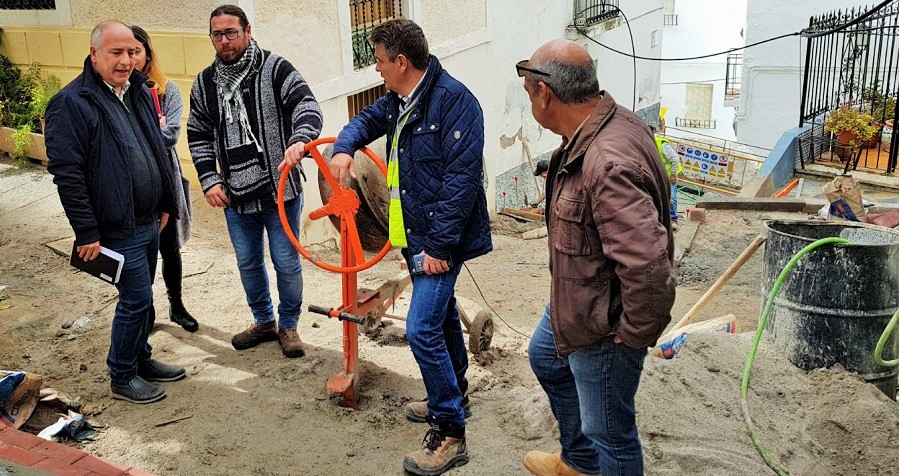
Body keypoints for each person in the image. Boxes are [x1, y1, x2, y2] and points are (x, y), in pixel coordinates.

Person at [323, 18, 491, 476]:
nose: (375, 69)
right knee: (440, 321)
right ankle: (455, 394)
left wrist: (438, 246)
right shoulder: (403, 98)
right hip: (414, 237)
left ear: (401, 61)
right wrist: (343, 148)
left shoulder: (455, 102)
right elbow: (365, 120)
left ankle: (450, 432)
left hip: (441, 242)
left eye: (379, 61)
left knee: (420, 330)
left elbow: (461, 182)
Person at [517, 40, 676, 476]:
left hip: (604, 325)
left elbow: (648, 265)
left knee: (611, 433)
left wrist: (631, 336)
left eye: (527, 86)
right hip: (579, 299)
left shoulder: (606, 160)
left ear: (544, 94)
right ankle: (579, 463)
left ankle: (595, 460)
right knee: (546, 357)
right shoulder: (597, 125)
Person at [45, 20, 186, 404]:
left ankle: (142, 359)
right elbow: (67, 174)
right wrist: (87, 232)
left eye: (131, 52)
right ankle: (122, 376)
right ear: (94, 54)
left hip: (148, 220)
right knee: (136, 300)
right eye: (116, 53)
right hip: (115, 226)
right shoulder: (71, 104)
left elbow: (157, 149)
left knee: (145, 295)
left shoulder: (137, 90)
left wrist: (165, 205)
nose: (126, 61)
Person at [187, 5, 322, 358]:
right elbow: (198, 133)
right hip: (234, 195)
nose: (225, 40)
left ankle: (288, 325)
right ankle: (264, 322)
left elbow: (307, 105)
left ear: (247, 31)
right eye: (217, 34)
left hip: (280, 191)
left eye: (231, 32)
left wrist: (299, 139)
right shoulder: (204, 83)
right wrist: (209, 179)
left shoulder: (276, 69)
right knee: (248, 262)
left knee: (286, 262)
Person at [131, 25, 198, 332]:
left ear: (147, 53)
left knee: (169, 247)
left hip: (165, 178)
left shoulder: (165, 89)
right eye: (123, 52)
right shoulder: (117, 93)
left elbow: (170, 135)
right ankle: (145, 312)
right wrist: (151, 128)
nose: (130, 59)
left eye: (136, 51)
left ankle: (177, 306)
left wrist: (144, 131)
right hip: (133, 183)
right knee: (142, 250)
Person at [652, 125, 682, 230]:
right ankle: (662, 219)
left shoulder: (662, 144)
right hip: (659, 175)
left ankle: (673, 219)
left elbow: (675, 159)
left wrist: (673, 174)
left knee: (671, 197)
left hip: (669, 176)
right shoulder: (648, 144)